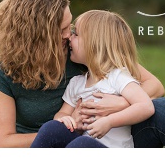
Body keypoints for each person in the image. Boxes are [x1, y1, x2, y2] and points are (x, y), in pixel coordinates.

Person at [0, 0, 165, 148]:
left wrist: (117, 105)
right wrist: (71, 126)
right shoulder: (1, 73)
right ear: (38, 35)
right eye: (64, 29)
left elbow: (155, 86)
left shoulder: (79, 55)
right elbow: (4, 142)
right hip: (52, 145)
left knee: (162, 108)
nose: (69, 35)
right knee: (63, 136)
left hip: (112, 141)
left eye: (72, 29)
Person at [31, 10, 154, 148]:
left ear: (95, 44)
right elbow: (63, 113)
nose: (70, 37)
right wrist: (67, 120)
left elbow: (146, 106)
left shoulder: (117, 77)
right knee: (51, 129)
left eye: (76, 34)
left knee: (82, 144)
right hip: (81, 145)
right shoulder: (76, 83)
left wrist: (110, 122)